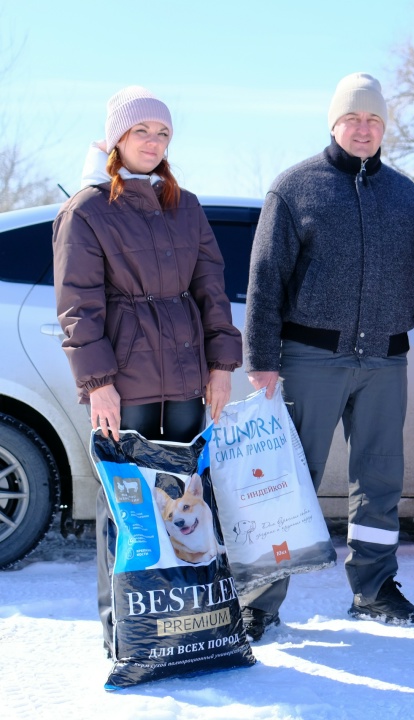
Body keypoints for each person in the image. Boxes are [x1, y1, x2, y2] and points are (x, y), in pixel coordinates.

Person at [242, 72, 414, 637]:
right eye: (353, 119)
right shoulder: (295, 188)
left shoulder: (405, 194)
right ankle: (260, 601)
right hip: (310, 359)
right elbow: (265, 281)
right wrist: (261, 359)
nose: (363, 129)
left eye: (374, 120)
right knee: (287, 481)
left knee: (381, 479)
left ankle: (375, 587)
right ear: (334, 123)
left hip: (387, 361)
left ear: (384, 127)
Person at [53, 86, 243, 657]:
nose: (154, 142)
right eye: (143, 131)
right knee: (127, 503)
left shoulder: (182, 205)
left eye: (163, 133)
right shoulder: (86, 209)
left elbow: (212, 287)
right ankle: (125, 634)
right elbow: (78, 304)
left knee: (187, 497)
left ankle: (183, 627)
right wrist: (98, 383)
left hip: (184, 376)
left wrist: (221, 365)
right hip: (125, 381)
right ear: (117, 138)